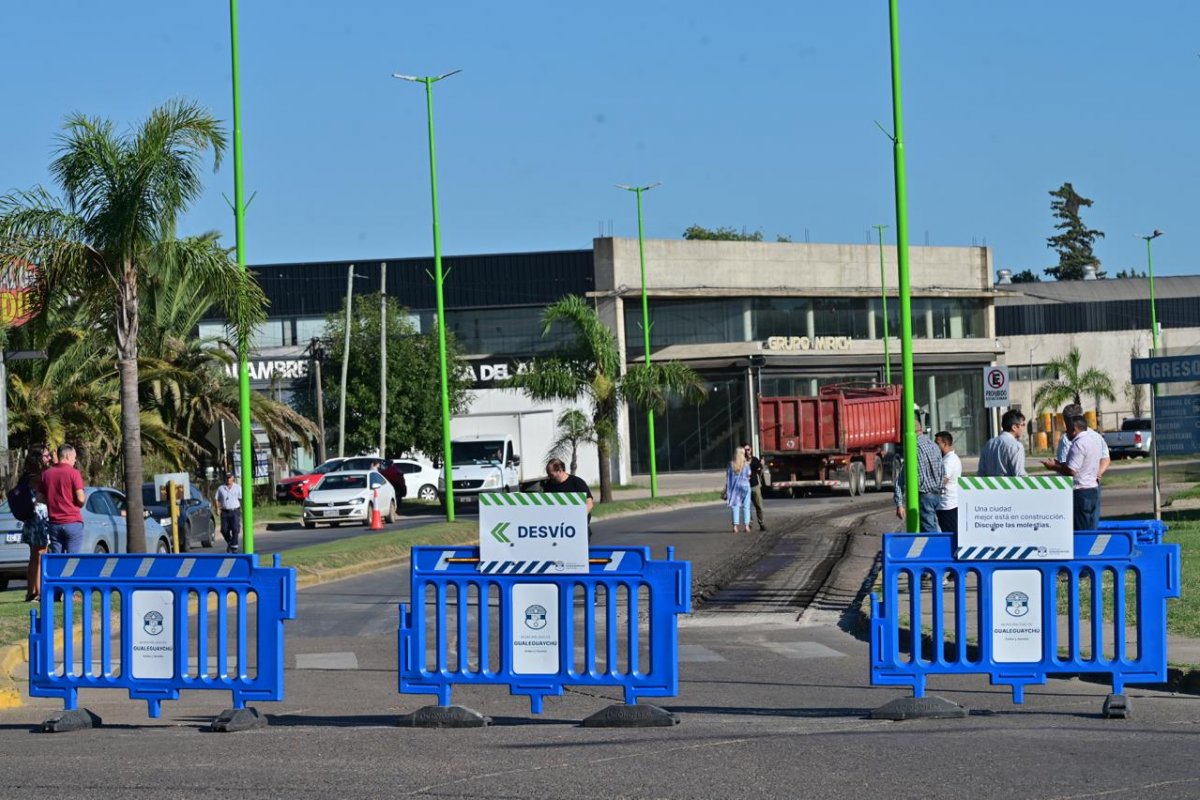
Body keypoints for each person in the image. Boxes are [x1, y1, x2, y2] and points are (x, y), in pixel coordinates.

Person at [1042, 415, 1104, 530]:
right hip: (1092, 489)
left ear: (1074, 429)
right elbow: (1081, 464)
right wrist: (1060, 464)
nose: (1066, 432)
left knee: (1081, 531)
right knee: (1090, 529)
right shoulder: (1093, 440)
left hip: (1081, 492)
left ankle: (1083, 548)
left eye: (1068, 429)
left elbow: (1072, 471)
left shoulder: (1078, 444)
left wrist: (1055, 467)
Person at [893, 410, 946, 533]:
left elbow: (901, 479)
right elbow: (942, 472)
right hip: (938, 495)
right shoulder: (934, 445)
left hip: (924, 497)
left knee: (929, 532)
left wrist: (899, 503)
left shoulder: (913, 448)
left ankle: (934, 552)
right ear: (920, 428)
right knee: (935, 528)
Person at [16, 446, 52, 602]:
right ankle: (37, 592)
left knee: (34, 557)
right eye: (46, 455)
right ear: (39, 458)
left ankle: (31, 591)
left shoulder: (26, 475)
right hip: (38, 518)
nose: (49, 458)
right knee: (40, 555)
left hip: (32, 519)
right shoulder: (39, 476)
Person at [41, 444, 86, 554]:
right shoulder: (74, 473)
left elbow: (39, 498)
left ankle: (57, 572)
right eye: (74, 457)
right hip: (72, 522)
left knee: (57, 559)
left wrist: (52, 502)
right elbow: (81, 499)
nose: (75, 460)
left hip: (54, 524)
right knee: (73, 560)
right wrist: (80, 502)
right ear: (67, 456)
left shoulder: (46, 474)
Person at [1056, 402, 1111, 480]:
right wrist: (1098, 473)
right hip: (1093, 483)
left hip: (1075, 485)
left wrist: (1055, 466)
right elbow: (1105, 458)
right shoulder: (1096, 436)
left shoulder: (1067, 438)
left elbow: (1067, 467)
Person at [978, 409, 1027, 477]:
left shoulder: (988, 444)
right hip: (1010, 487)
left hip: (990, 487)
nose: (1024, 428)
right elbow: (1019, 474)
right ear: (1014, 427)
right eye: (1023, 425)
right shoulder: (1016, 446)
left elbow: (981, 473)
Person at [934, 431, 961, 534]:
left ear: (944, 444)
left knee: (949, 535)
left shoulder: (949, 461)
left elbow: (943, 480)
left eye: (937, 443)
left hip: (947, 505)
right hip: (947, 504)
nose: (935, 445)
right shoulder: (949, 458)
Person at [724, 447, 753, 534]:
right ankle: (747, 526)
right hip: (745, 486)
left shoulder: (731, 464)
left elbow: (728, 476)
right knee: (746, 506)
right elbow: (749, 475)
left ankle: (735, 526)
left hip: (734, 487)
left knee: (735, 506)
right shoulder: (746, 464)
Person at [742, 442, 767, 532]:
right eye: (745, 450)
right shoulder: (741, 460)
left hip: (754, 486)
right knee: (746, 507)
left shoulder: (755, 460)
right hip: (744, 486)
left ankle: (761, 523)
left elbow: (759, 471)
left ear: (751, 450)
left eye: (748, 449)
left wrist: (762, 465)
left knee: (759, 506)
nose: (747, 451)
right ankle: (749, 523)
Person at [215, 472, 242, 553]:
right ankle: (230, 543)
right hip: (225, 512)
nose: (228, 479)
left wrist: (241, 509)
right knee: (224, 530)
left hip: (235, 510)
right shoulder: (221, 488)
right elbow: (216, 498)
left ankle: (234, 547)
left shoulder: (238, 487)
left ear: (233, 478)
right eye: (227, 478)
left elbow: (241, 498)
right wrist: (217, 509)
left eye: (230, 477)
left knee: (235, 529)